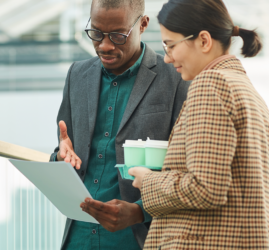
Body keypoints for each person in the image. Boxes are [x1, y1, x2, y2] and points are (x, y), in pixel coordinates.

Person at [128, 0, 269, 249]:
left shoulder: (211, 85)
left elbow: (204, 188)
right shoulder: (247, 91)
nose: (168, 59)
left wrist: (148, 180)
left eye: (170, 46)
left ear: (204, 41)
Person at [50, 0, 190, 249]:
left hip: (140, 238)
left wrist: (139, 211)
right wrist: (61, 160)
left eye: (117, 35)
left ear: (143, 25)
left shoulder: (176, 78)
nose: (104, 45)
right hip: (78, 237)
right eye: (96, 33)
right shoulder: (76, 75)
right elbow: (63, 151)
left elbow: (187, 171)